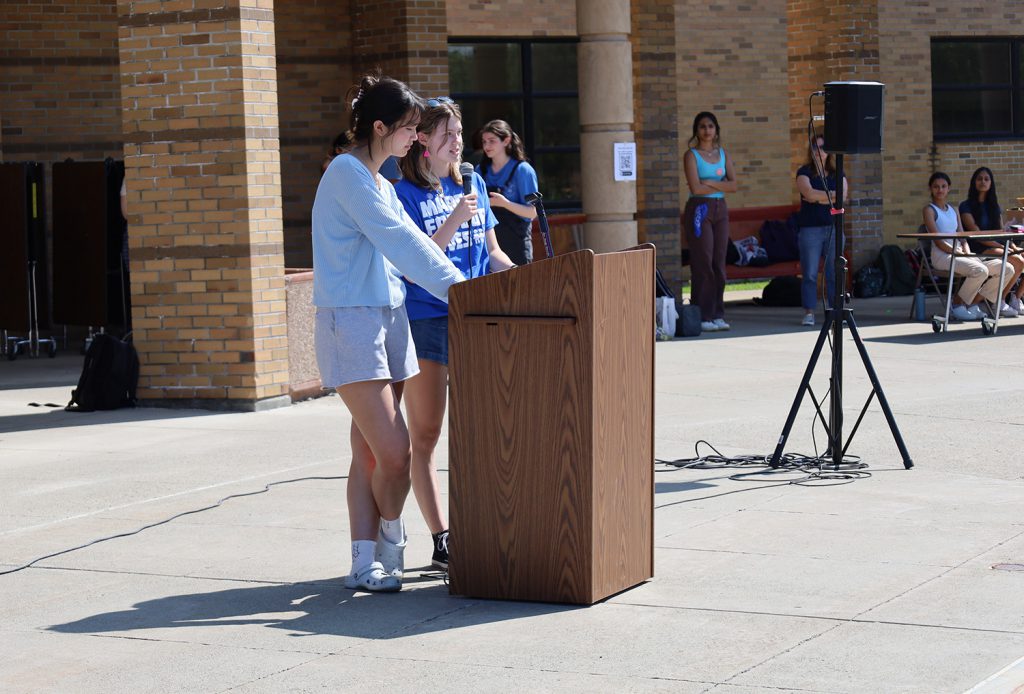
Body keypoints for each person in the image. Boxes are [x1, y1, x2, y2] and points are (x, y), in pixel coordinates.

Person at [312, 74, 464, 593]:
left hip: (390, 320)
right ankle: (391, 540)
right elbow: (399, 240)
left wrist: (459, 285)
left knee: (371, 455)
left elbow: (415, 241)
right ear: (378, 128)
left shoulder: (380, 182)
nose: (415, 140)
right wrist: (461, 290)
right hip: (351, 322)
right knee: (396, 453)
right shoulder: (347, 176)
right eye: (408, 131)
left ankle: (362, 561)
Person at [395, 98, 516, 571]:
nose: (457, 143)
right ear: (422, 139)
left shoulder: (475, 184)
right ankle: (441, 536)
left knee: (486, 428)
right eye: (447, 134)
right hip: (428, 321)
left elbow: (493, 253)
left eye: (460, 133)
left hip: (477, 316)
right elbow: (413, 266)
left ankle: (488, 524)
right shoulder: (404, 194)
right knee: (426, 432)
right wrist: (453, 220)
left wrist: (526, 275)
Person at [682, 111, 737, 332]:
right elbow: (695, 188)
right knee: (703, 261)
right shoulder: (691, 155)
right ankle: (702, 314)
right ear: (697, 130)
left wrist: (709, 182)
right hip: (700, 208)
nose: (707, 130)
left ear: (716, 130)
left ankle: (717, 314)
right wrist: (718, 182)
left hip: (720, 208)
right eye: (702, 126)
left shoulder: (723, 154)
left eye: (711, 126)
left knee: (719, 263)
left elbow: (733, 185)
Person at [923, 172, 1001, 322]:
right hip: (942, 255)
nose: (940, 190)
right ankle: (957, 305)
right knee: (980, 270)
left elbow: (962, 235)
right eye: (936, 187)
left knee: (1005, 268)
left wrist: (967, 251)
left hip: (959, 253)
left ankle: (972, 303)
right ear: (931, 189)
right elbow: (938, 240)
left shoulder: (954, 209)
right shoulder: (929, 210)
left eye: (943, 186)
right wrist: (956, 252)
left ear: (949, 188)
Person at [795, 135, 848, 326]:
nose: (819, 151)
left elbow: (843, 197)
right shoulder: (804, 172)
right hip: (810, 230)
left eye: (823, 147)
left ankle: (835, 311)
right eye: (815, 147)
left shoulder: (837, 173)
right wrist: (830, 196)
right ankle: (809, 311)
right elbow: (807, 193)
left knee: (834, 271)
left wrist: (819, 198)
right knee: (809, 272)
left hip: (833, 227)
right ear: (810, 150)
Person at [958, 166, 1023, 317]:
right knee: (1017, 261)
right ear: (974, 182)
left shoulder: (994, 206)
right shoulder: (965, 206)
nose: (983, 182)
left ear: (991, 183)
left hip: (996, 245)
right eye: (979, 179)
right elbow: (977, 234)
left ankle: (1016, 298)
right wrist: (1006, 248)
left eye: (986, 179)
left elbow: (1001, 233)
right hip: (978, 247)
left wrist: (1012, 246)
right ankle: (998, 302)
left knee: (1021, 256)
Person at [477, 119, 539, 265]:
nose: (487, 146)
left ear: (506, 141)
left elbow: (532, 212)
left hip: (517, 244)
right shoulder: (480, 171)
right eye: (484, 141)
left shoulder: (523, 170)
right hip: (488, 244)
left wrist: (505, 204)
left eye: (492, 141)